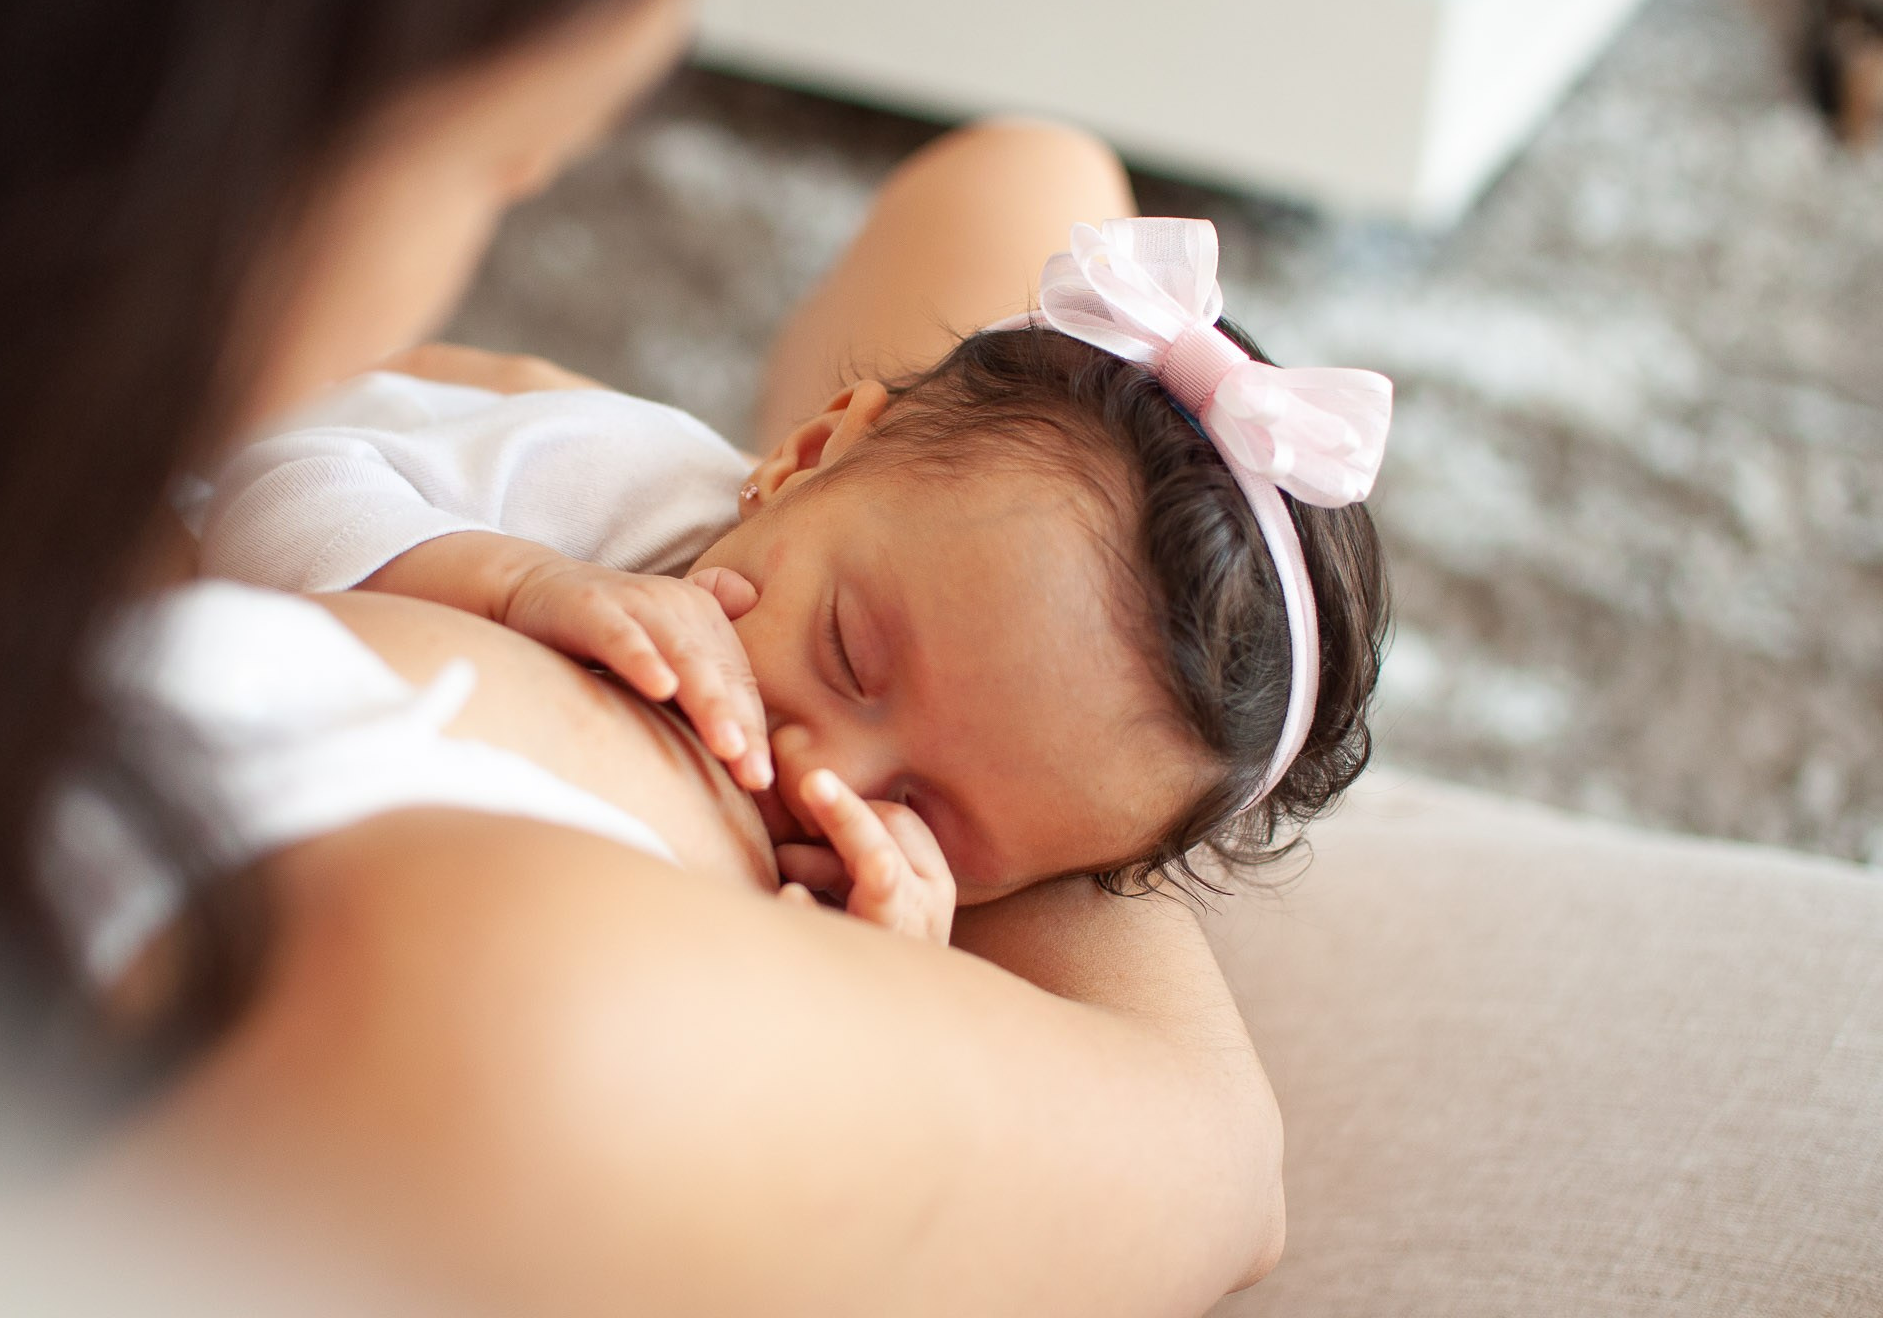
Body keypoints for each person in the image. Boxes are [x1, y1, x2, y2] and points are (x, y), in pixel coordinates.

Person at [0, 0, 1290, 1312]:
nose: (817, 763)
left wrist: (985, 732)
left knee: (1036, 177)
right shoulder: (468, 1000)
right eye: (508, 162)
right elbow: (1220, 1170)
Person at [186, 220, 1392, 946]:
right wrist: (509, 580)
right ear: (807, 454)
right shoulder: (613, 483)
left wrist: (877, 972)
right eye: (851, 655)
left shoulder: (879, 896)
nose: (823, 772)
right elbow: (261, 490)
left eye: (934, 816)